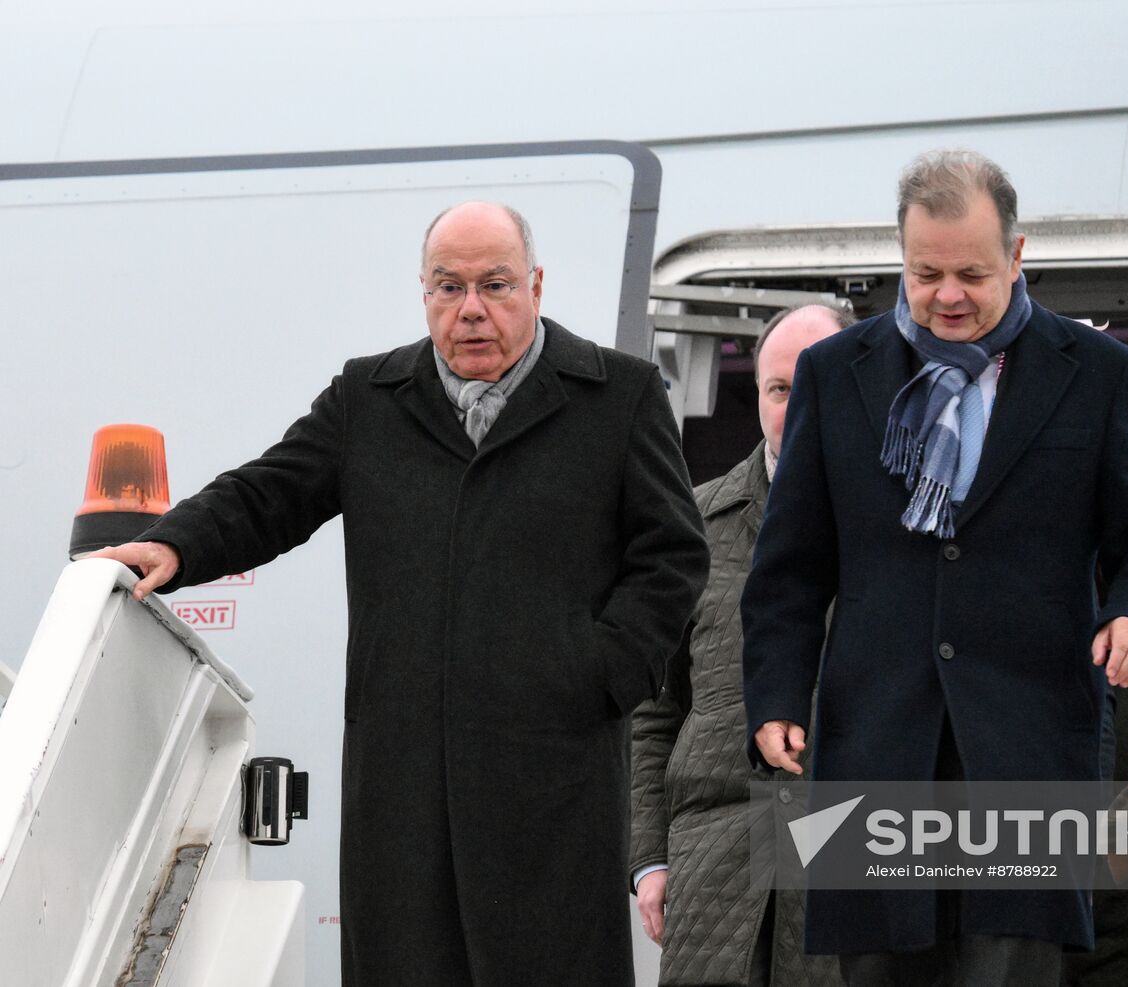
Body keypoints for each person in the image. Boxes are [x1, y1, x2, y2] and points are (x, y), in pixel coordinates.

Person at [93, 201, 709, 986]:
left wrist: (598, 673)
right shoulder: (368, 399)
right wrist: (175, 542)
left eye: (495, 284)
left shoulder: (617, 396)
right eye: (447, 287)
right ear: (423, 293)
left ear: (537, 284)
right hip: (404, 781)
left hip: (552, 780)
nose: (471, 309)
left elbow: (675, 555)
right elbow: (268, 494)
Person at [741, 150, 1128, 986]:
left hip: (1028, 745)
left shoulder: (1102, 376)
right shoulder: (832, 374)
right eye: (926, 273)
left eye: (971, 273)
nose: (948, 294)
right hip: (874, 744)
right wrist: (774, 695)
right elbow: (790, 569)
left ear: (1018, 256)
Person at [630, 304, 851, 987]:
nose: (796, 406)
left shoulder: (909, 526)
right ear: (756, 397)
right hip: (715, 861)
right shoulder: (693, 524)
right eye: (780, 388)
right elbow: (652, 707)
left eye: (816, 386)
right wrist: (648, 858)